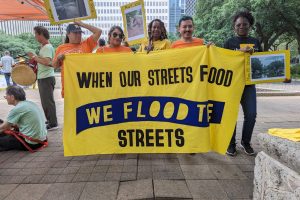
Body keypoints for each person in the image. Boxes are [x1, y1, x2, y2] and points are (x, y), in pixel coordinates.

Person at [224, 11, 262, 156]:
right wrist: (238, 53)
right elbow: (223, 61)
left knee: (251, 114)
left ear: (250, 26)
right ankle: (230, 143)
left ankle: (245, 142)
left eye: (245, 24)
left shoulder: (256, 42)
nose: (241, 27)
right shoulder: (229, 42)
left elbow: (261, 62)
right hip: (232, 85)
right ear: (234, 27)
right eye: (238, 24)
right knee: (231, 115)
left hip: (249, 85)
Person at [53, 20, 102, 98]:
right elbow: (55, 66)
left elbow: (98, 31)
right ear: (68, 34)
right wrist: (58, 58)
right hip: (69, 89)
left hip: (85, 87)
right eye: (75, 33)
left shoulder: (87, 44)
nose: (78, 35)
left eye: (80, 33)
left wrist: (82, 24)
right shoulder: (61, 48)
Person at [27, 26, 58, 131]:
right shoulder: (44, 47)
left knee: (47, 102)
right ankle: (50, 120)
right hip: (44, 77)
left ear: (40, 34)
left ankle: (53, 123)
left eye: (36, 34)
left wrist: (34, 57)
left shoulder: (47, 47)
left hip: (46, 78)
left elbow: (47, 62)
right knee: (46, 101)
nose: (35, 36)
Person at [0, 86, 47, 151]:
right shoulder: (30, 103)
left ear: (12, 97)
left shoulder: (17, 109)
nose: (5, 98)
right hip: (42, 139)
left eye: (6, 96)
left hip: (32, 143)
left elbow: (4, 127)